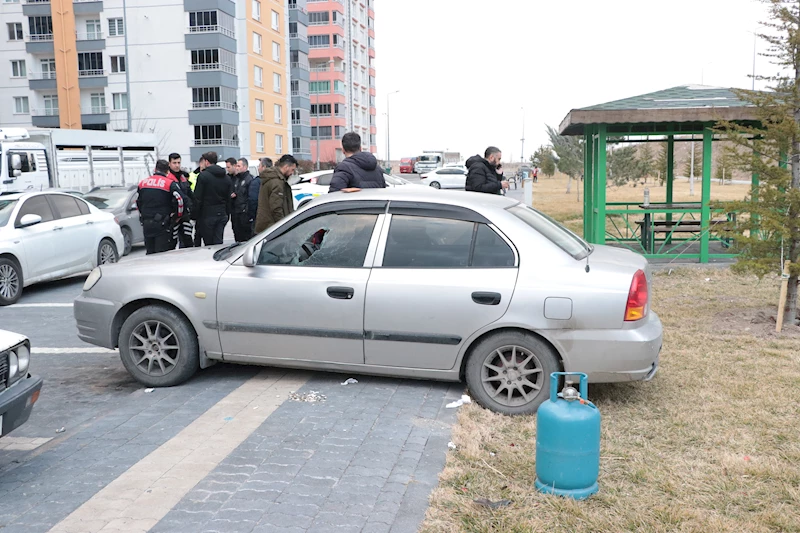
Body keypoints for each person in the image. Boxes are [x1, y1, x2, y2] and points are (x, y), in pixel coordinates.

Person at [137, 159, 184, 255]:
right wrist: (177, 216)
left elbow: (138, 202)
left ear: (155, 169)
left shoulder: (143, 183)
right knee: (162, 253)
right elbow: (180, 200)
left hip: (147, 223)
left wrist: (143, 215)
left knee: (150, 252)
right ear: (167, 171)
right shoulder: (169, 184)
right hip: (162, 223)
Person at [193, 151, 233, 245]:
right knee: (218, 242)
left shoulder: (203, 176)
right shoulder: (226, 177)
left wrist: (195, 215)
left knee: (209, 244)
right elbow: (228, 199)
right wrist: (227, 214)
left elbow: (198, 198)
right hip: (222, 213)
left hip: (207, 214)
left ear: (206, 162)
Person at [255, 154, 297, 233]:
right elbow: (276, 208)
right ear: (286, 167)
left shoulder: (271, 178)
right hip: (272, 228)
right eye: (292, 170)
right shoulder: (277, 182)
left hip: (266, 225)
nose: (292, 173)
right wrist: (283, 227)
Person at [168, 153, 195, 248]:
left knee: (188, 241)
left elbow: (189, 195)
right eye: (174, 163)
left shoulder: (183, 177)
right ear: (169, 163)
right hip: (173, 216)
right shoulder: (168, 178)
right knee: (171, 242)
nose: (177, 165)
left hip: (185, 215)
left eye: (178, 162)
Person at [230, 157, 254, 242]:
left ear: (245, 167)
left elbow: (250, 197)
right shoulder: (236, 179)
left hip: (244, 214)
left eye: (239, 166)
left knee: (246, 237)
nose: (237, 167)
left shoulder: (249, 179)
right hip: (236, 213)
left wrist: (247, 211)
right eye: (236, 166)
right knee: (237, 236)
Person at [249, 157, 271, 234]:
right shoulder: (275, 180)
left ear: (264, 167)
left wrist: (251, 216)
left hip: (259, 218)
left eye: (259, 166)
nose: (258, 168)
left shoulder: (257, 182)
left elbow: (253, 200)